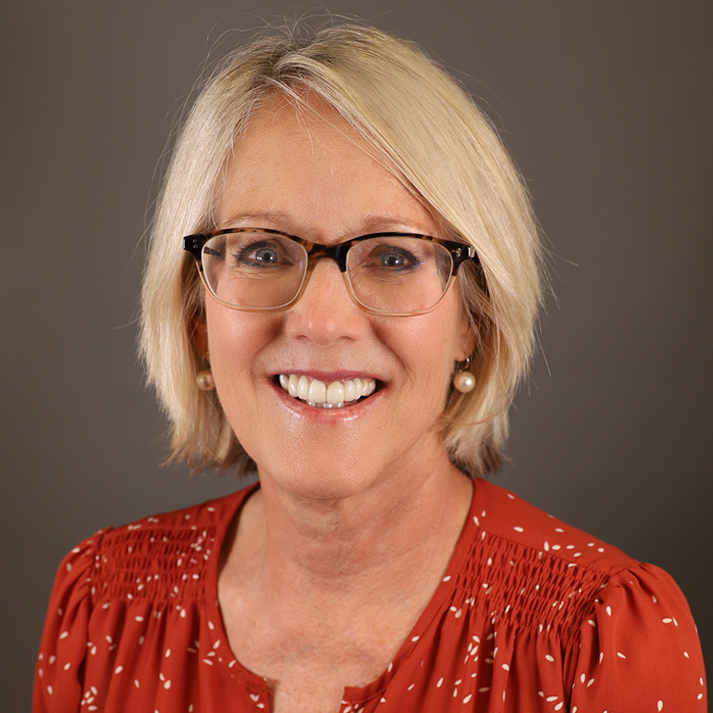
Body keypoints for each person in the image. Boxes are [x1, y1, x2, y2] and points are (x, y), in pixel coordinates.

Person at [33, 23, 706, 713]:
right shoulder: (102, 606)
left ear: (470, 319)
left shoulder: (595, 640)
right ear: (197, 313)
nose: (321, 322)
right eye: (263, 251)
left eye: (392, 256)